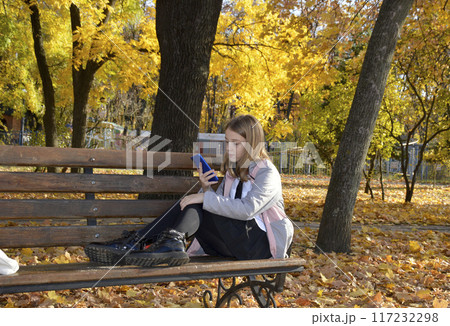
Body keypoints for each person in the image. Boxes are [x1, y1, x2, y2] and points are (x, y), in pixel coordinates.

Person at [84, 114, 293, 267]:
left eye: (236, 144)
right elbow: (219, 212)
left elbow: (247, 209)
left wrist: (203, 198)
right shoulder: (233, 172)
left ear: (252, 144)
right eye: (227, 142)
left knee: (197, 201)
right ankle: (146, 242)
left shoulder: (267, 172)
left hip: (258, 246)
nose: (229, 148)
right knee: (195, 202)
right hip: (232, 244)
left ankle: (143, 242)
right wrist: (206, 188)